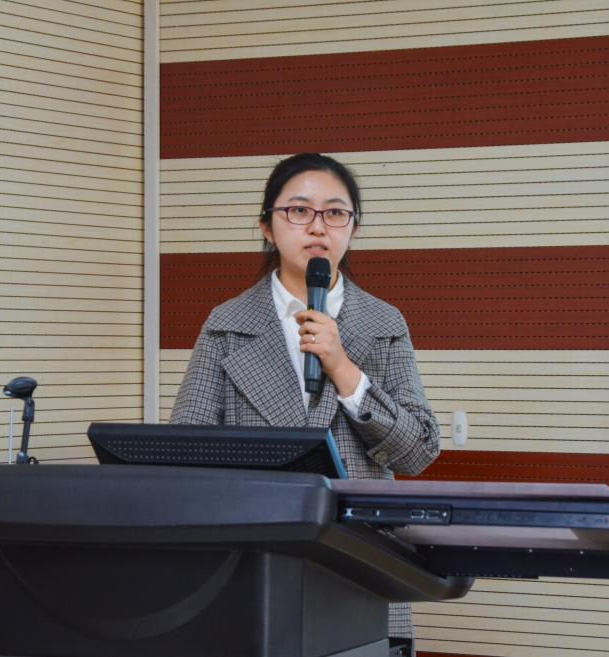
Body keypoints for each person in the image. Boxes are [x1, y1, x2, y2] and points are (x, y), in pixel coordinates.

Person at [170, 152, 440, 643]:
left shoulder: (384, 324)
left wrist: (343, 368)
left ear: (353, 229)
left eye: (335, 213)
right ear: (267, 227)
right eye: (298, 210)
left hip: (362, 564)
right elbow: (185, 456)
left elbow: (418, 451)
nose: (317, 226)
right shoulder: (227, 325)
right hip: (255, 562)